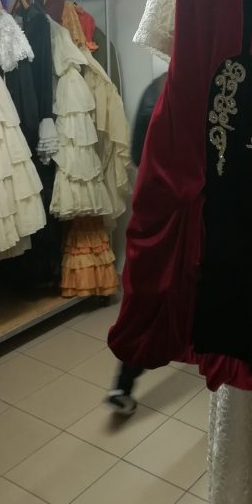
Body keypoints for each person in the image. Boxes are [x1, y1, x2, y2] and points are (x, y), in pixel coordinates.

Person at [106, 72, 167, 415]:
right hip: (198, 210)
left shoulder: (156, 86)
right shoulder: (216, 84)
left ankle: (123, 382)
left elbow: (137, 153)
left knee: (146, 297)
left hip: (156, 205)